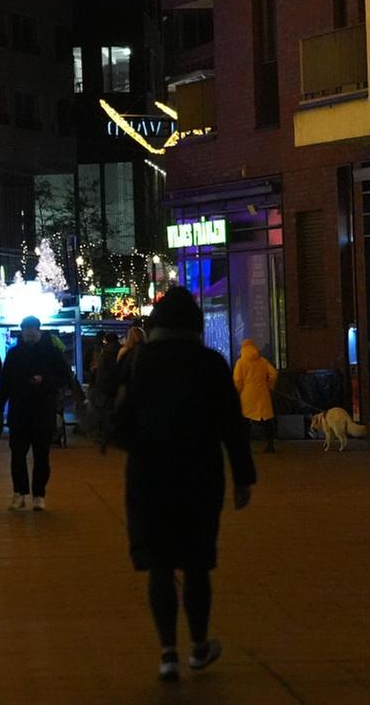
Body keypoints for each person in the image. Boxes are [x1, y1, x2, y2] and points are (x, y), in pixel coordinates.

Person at [110, 286, 256, 682]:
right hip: (198, 475)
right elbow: (232, 425)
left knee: (159, 565)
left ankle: (167, 653)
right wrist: (243, 477)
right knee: (195, 564)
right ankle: (199, 645)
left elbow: (119, 424)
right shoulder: (210, 364)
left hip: (149, 477)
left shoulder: (138, 362)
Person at [0, 315, 70, 510]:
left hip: (42, 410)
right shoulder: (13, 354)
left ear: (39, 330)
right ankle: (19, 492)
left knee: (41, 454)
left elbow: (64, 378)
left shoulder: (52, 353)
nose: (29, 333)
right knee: (18, 454)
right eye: (26, 329)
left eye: (32, 329)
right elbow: (4, 382)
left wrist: (45, 381)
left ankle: (39, 494)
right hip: (20, 410)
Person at [232, 338, 279, 453]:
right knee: (266, 420)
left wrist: (236, 393)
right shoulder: (262, 361)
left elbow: (237, 380)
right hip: (263, 393)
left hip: (247, 395)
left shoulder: (241, 362)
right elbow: (274, 373)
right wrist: (269, 385)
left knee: (245, 420)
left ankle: (245, 445)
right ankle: (271, 444)